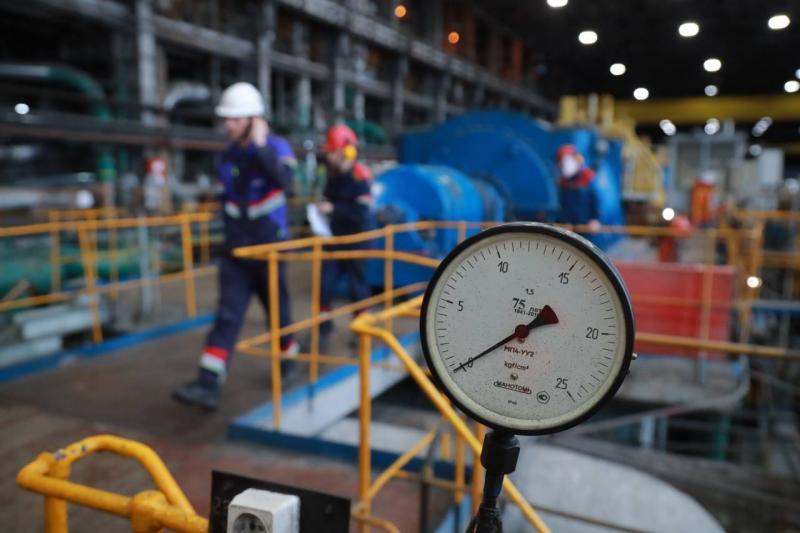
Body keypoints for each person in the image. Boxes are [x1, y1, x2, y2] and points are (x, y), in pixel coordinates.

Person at [172, 82, 299, 410]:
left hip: (270, 252)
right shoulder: (228, 156)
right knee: (227, 317)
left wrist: (260, 146)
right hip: (236, 253)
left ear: (254, 120)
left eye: (235, 119)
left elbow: (287, 183)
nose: (227, 125)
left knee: (279, 314)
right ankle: (208, 383)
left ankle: (289, 361)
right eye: (226, 119)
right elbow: (229, 195)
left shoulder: (277, 147)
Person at [316, 124, 375, 349]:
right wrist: (323, 206)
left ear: (346, 151)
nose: (329, 156)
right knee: (325, 285)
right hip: (335, 238)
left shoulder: (360, 176)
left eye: (332, 151)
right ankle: (322, 332)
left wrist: (334, 209)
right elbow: (329, 197)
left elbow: (361, 212)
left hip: (358, 240)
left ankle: (363, 333)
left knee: (357, 287)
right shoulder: (333, 175)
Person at [554, 144, 601, 232]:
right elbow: (562, 206)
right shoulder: (562, 183)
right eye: (562, 162)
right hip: (567, 229)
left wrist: (594, 219)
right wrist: (563, 221)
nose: (565, 165)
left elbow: (594, 200)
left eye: (568, 161)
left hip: (585, 228)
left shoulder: (587, 178)